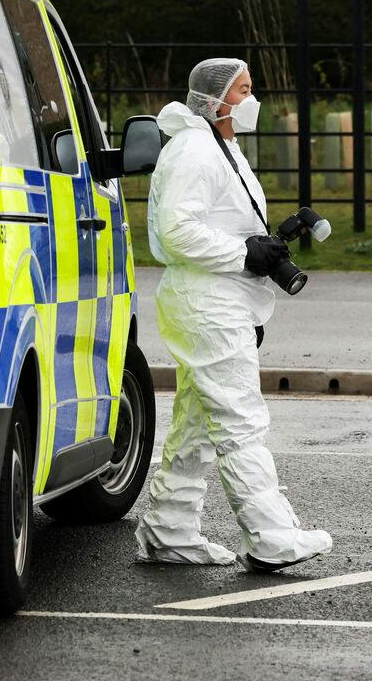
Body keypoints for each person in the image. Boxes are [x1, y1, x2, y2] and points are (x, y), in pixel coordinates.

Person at [135, 58, 333, 572]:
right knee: (241, 420)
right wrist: (244, 255)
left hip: (217, 301)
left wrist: (253, 261)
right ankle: (270, 537)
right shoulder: (196, 151)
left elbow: (218, 224)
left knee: (196, 426)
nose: (252, 99)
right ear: (216, 100)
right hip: (207, 301)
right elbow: (177, 233)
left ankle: (168, 530)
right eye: (244, 90)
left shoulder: (221, 147)